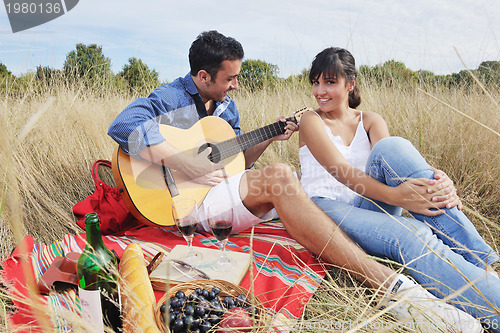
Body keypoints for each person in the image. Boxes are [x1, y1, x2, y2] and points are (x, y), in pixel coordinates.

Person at [108, 31, 484, 331]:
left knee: (279, 178)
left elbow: (234, 163)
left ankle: (481, 264)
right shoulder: (169, 97)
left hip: (220, 190)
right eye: (230, 78)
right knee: (283, 178)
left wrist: (268, 137)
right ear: (203, 76)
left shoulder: (226, 108)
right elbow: (123, 126)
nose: (236, 85)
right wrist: (182, 163)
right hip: (178, 199)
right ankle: (393, 290)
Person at [298, 46, 499, 330]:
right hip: (326, 208)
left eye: (330, 82)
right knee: (413, 233)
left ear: (350, 83)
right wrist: (397, 197)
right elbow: (341, 173)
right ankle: (495, 306)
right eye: (316, 82)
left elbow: (396, 167)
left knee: (392, 146)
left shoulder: (369, 119)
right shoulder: (310, 120)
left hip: (369, 204)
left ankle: (484, 265)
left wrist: (437, 180)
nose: (320, 91)